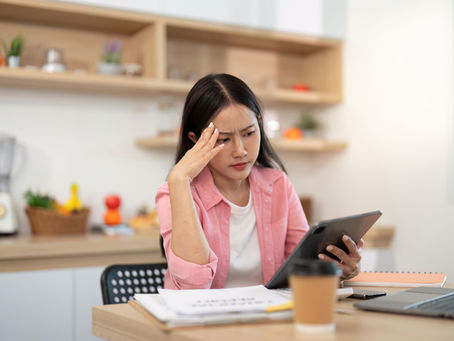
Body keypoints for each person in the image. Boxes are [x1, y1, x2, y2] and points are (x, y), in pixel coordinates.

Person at [155, 73, 362, 289]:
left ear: (259, 124)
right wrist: (179, 180)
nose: (240, 150)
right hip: (204, 321)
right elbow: (192, 288)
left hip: (269, 317)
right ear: (195, 140)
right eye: (224, 139)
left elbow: (302, 270)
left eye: (249, 133)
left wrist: (339, 270)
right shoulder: (175, 192)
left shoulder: (277, 184)